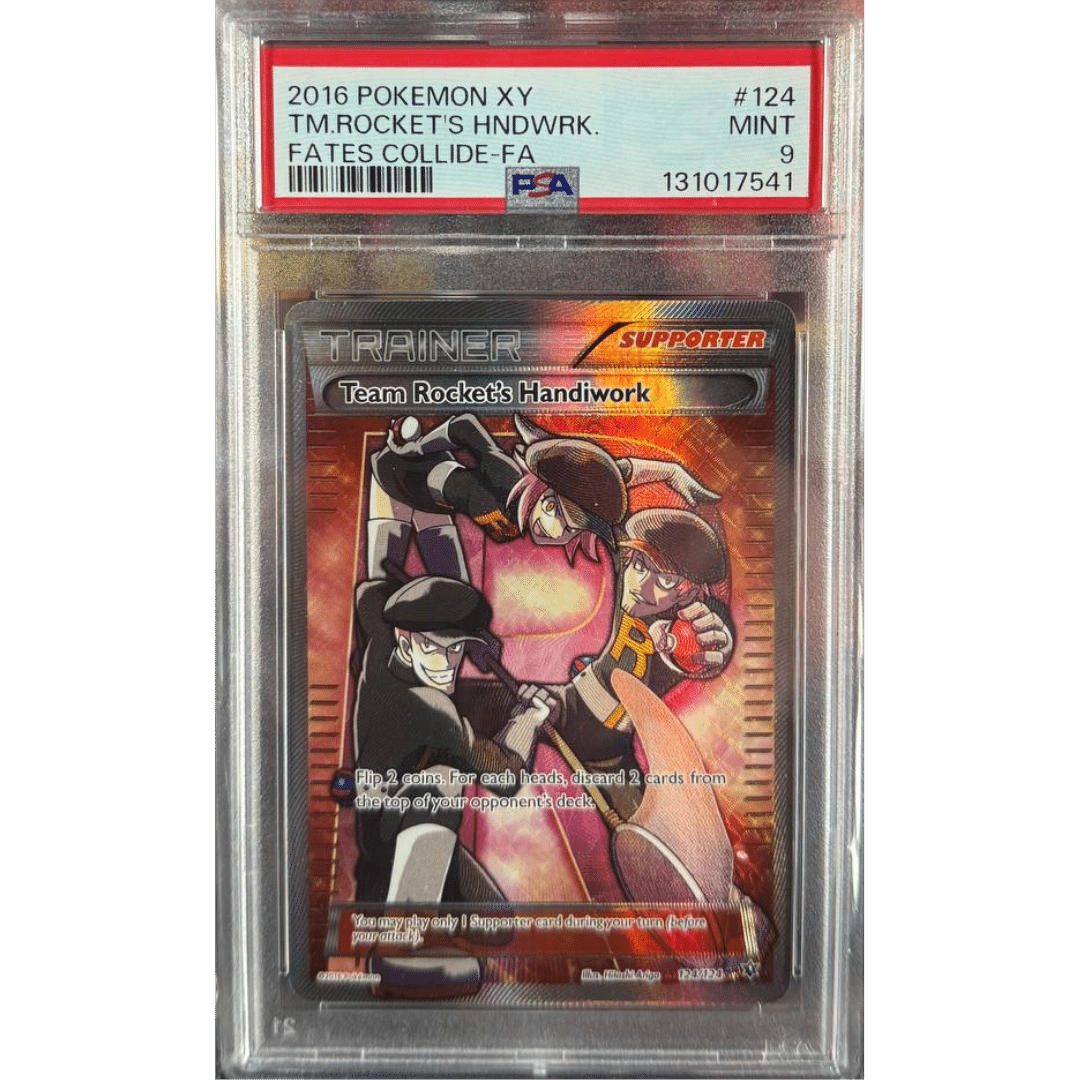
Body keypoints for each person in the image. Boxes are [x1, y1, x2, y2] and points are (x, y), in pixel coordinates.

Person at [351, 574, 557, 995]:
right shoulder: (432, 706)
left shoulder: (379, 640)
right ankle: (399, 947)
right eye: (433, 647)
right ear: (405, 640)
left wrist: (443, 618)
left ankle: (391, 894)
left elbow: (368, 594)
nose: (446, 663)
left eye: (456, 649)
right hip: (386, 830)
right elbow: (504, 776)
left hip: (400, 828)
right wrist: (527, 721)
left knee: (494, 923)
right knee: (444, 781)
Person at [366, 413, 720, 580]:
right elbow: (465, 427)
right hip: (394, 480)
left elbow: (614, 475)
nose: (556, 533)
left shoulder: (535, 502)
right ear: (545, 495)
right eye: (558, 517)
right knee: (379, 590)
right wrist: (416, 449)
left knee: (456, 600)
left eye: (570, 530)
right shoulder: (504, 484)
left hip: (433, 498)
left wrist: (669, 472)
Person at [551, 508, 735, 818]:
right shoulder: (620, 572)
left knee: (640, 831)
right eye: (640, 565)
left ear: (688, 592)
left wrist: (717, 640)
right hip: (563, 706)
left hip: (609, 755)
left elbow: (712, 632)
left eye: (666, 579)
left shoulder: (685, 623)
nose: (643, 584)